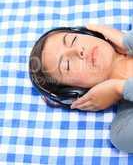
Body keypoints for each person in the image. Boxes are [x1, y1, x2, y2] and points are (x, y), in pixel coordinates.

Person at [30, 24, 133, 153]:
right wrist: (119, 88)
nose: (79, 52)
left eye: (73, 40)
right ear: (75, 91)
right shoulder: (123, 131)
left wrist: (127, 40)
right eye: (67, 65)